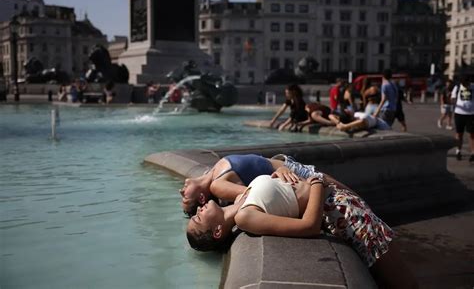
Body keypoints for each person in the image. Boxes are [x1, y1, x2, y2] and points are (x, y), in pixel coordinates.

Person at [187, 173, 418, 289]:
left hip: (342, 204)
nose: (198, 211)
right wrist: (316, 183)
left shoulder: (239, 198)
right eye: (198, 219)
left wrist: (283, 171)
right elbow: (309, 226)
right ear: (217, 232)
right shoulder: (244, 217)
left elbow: (279, 193)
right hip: (344, 216)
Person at [180, 154, 297, 216]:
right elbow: (255, 193)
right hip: (292, 174)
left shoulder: (211, 173)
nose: (181, 191)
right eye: (185, 197)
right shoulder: (217, 186)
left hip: (287, 166)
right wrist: (282, 168)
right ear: (201, 198)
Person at [451, 75, 474, 161]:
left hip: (471, 114)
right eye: (464, 84)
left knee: (472, 134)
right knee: (459, 134)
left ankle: (473, 153)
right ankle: (458, 151)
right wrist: (453, 102)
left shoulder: (473, 86)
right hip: (459, 114)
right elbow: (452, 98)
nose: (465, 85)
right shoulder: (457, 87)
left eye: (467, 83)